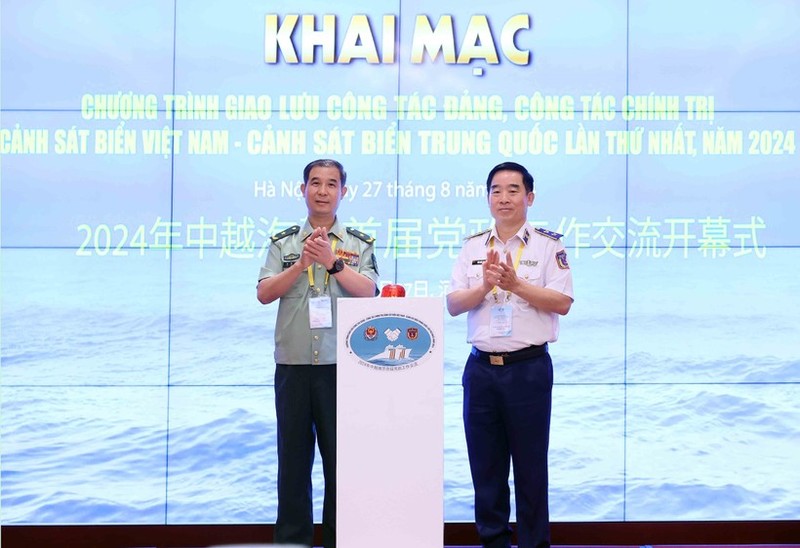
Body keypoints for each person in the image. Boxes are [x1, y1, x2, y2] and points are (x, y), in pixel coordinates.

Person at [446, 161, 574, 548]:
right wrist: (484, 286)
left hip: (528, 369)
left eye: (513, 190)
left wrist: (515, 284)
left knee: (531, 471)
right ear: (488, 198)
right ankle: (494, 543)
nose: (504, 198)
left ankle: (535, 545)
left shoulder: (549, 245)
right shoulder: (473, 246)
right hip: (481, 371)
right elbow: (453, 304)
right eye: (496, 190)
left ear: (529, 198)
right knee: (486, 470)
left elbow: (563, 302)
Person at [257, 158, 379, 548]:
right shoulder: (284, 242)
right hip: (293, 367)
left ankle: (340, 542)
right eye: (315, 183)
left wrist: (331, 263)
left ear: (344, 191)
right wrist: (302, 265)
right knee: (292, 466)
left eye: (331, 184)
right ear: (303, 189)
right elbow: (264, 293)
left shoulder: (358, 244)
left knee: (341, 466)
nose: (323, 191)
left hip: (341, 368)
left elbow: (370, 292)